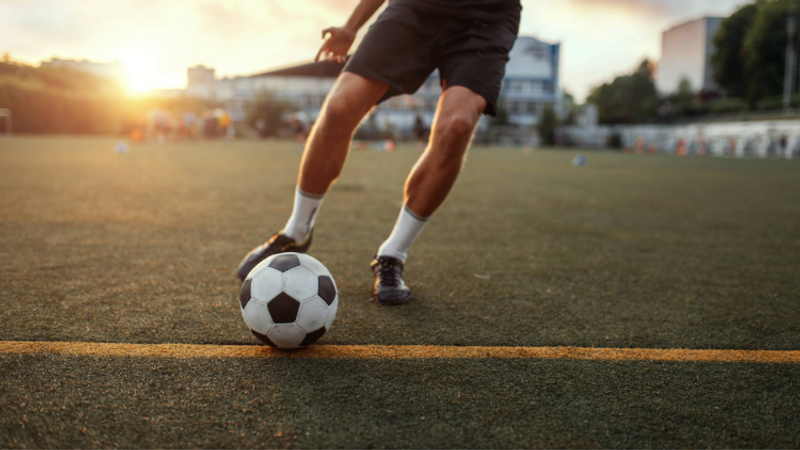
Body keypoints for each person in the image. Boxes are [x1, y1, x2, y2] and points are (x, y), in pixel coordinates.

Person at [237, 0, 522, 305]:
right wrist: (351, 26)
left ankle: (392, 255)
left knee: (457, 127)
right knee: (337, 109)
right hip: (416, 8)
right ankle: (296, 231)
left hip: (487, 16)